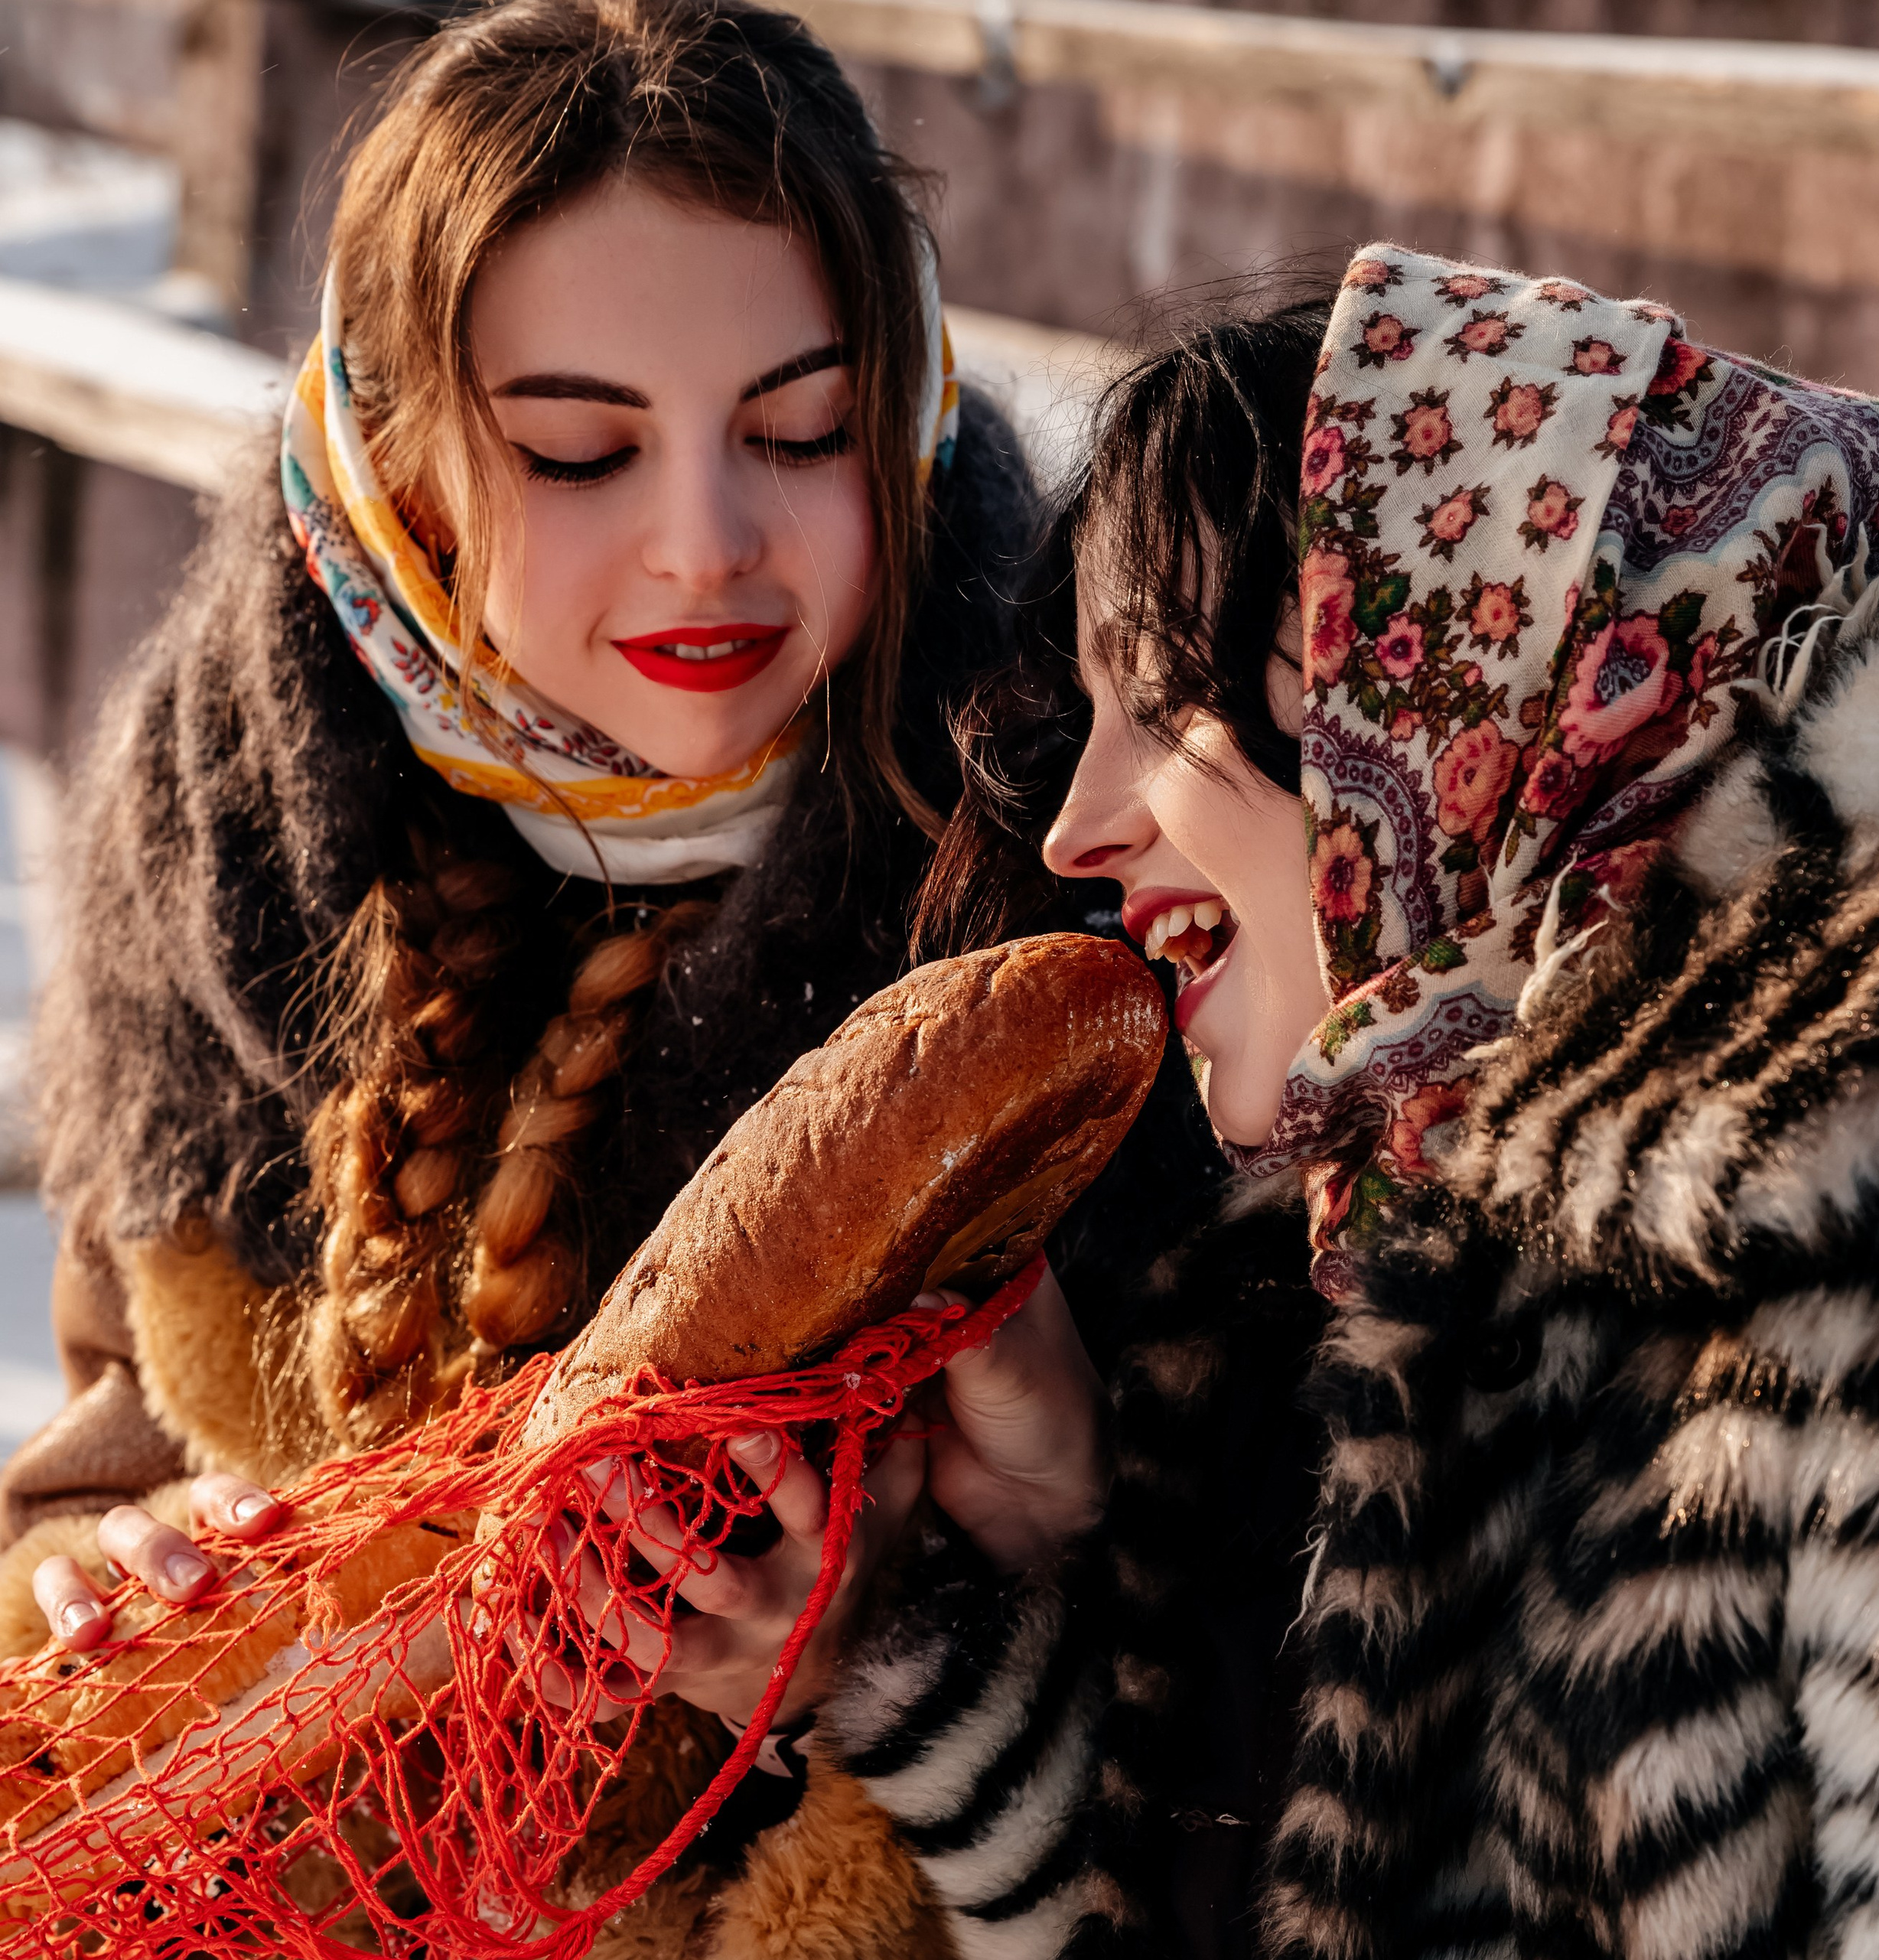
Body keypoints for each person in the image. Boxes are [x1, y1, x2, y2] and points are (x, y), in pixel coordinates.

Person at [0, 2, 1207, 1949]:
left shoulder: (1101, 824)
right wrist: (100, 1569)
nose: (703, 548)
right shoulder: (225, 822)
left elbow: (1259, 1669)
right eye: (577, 451)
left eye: (802, 432)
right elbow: (124, 1421)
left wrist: (976, 1589)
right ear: (398, 458)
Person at [822, 243, 1879, 1960]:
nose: (1077, 831)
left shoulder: (1873, 1267)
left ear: (1471, 707)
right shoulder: (1316, 1300)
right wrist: (942, 1632)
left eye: (1175, 700)